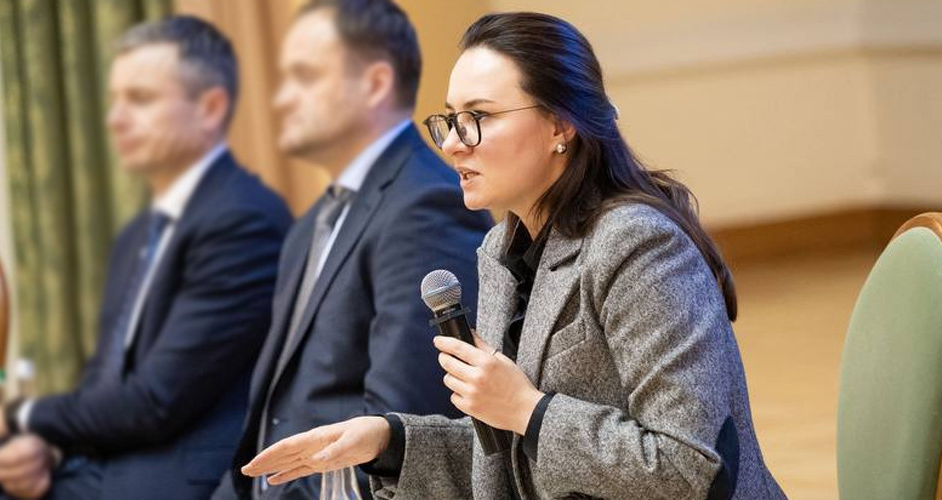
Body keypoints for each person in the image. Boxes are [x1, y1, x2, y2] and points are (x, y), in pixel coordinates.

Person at [241, 11, 789, 500]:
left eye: (479, 116)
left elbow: (688, 469)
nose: (452, 142)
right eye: (451, 118)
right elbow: (508, 458)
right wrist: (388, 442)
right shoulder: (500, 252)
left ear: (560, 125)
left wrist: (528, 408)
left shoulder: (640, 245)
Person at [0, 16, 292, 500]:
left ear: (210, 108)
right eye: (115, 99)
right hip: (96, 464)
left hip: (164, 479)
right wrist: (48, 448)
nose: (115, 119)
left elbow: (155, 403)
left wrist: (17, 416)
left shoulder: (243, 220)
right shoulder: (137, 235)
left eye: (140, 99)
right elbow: (102, 387)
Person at [211, 1, 493, 499]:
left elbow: (406, 433)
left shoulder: (424, 205)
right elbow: (274, 418)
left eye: (304, 76)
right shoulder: (309, 227)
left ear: (375, 83)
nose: (281, 99)